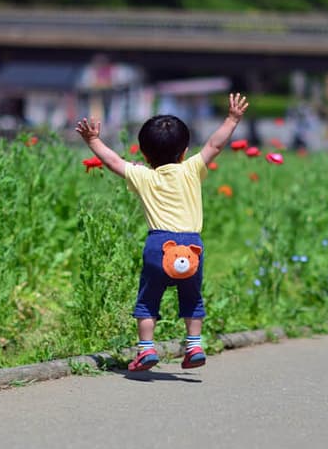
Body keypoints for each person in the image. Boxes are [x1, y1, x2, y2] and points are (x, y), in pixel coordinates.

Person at [75, 92, 250, 372]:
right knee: (192, 299)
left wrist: (93, 139)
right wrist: (232, 118)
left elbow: (114, 163)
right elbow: (215, 145)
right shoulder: (191, 169)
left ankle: (146, 350)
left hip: (159, 245)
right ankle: (194, 344)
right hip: (192, 247)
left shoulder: (144, 175)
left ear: (144, 153)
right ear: (184, 151)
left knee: (147, 300)